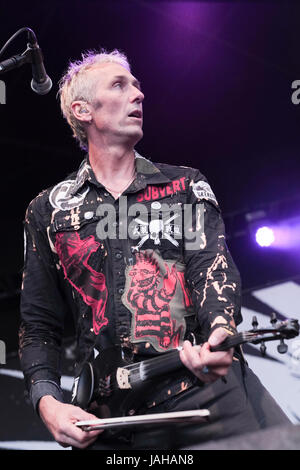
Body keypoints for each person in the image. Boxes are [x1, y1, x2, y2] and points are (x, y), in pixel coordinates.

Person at [19, 49, 290, 450]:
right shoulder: (47, 210)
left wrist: (220, 333)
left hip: (205, 391)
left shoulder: (185, 186)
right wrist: (48, 403)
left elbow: (210, 267)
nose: (138, 95)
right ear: (82, 110)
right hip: (109, 418)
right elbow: (38, 324)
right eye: (120, 85)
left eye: (138, 86)